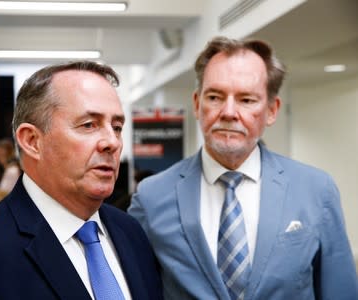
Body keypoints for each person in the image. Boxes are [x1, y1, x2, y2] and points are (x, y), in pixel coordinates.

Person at [128, 36, 358, 299]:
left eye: (246, 100)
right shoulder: (152, 197)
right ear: (196, 104)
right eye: (215, 97)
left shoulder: (316, 190)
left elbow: (340, 292)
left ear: (272, 110)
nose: (228, 112)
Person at [0, 61, 163, 300]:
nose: (113, 142)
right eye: (89, 125)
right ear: (32, 141)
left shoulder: (131, 232)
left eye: (117, 127)